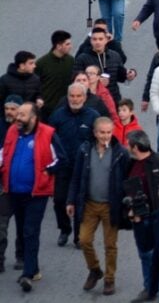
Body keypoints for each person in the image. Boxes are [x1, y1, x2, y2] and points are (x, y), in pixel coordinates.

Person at [1, 102, 63, 292]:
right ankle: (33, 268)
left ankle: (27, 274)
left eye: (22, 115)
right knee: (21, 230)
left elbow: (62, 159)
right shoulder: (12, 131)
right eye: (18, 114)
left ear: (34, 117)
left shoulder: (48, 133)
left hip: (37, 193)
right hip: (14, 192)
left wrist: (47, 171)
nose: (18, 118)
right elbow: (5, 153)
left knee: (30, 231)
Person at [66, 117, 129, 296]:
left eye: (109, 132)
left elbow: (127, 180)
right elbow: (76, 177)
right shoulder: (84, 150)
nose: (105, 136)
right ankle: (95, 270)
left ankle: (109, 279)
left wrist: (128, 204)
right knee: (84, 239)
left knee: (110, 245)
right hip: (90, 204)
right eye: (102, 132)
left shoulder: (121, 153)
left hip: (111, 206)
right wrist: (71, 201)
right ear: (95, 133)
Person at [124, 130, 159, 303]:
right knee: (145, 254)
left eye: (129, 144)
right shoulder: (130, 163)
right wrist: (129, 210)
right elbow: (123, 188)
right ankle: (149, 288)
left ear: (135, 146)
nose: (127, 146)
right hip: (139, 218)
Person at [48, 83, 99, 249]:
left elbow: (100, 140)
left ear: (84, 97)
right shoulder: (57, 116)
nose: (75, 99)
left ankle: (79, 236)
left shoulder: (93, 116)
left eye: (78, 96)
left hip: (84, 167)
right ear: (68, 97)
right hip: (63, 166)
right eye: (72, 96)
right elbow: (48, 140)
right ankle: (64, 229)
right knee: (59, 200)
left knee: (80, 202)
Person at [74, 27, 136, 103]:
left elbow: (121, 77)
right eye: (94, 39)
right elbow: (76, 81)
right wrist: (96, 81)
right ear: (91, 41)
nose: (97, 42)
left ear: (106, 40)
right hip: (91, 102)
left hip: (113, 100)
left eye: (100, 39)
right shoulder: (82, 58)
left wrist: (129, 75)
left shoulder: (115, 56)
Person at [0, 95, 23, 273]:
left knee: (23, 225)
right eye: (7, 108)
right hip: (4, 185)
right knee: (2, 224)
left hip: (23, 184)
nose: (9, 112)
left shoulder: (27, 128)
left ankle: (21, 257)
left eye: (13, 109)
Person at [35, 30, 74, 121]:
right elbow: (35, 85)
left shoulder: (71, 61)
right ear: (58, 46)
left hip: (66, 108)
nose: (71, 47)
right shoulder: (42, 63)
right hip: (46, 110)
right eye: (67, 44)